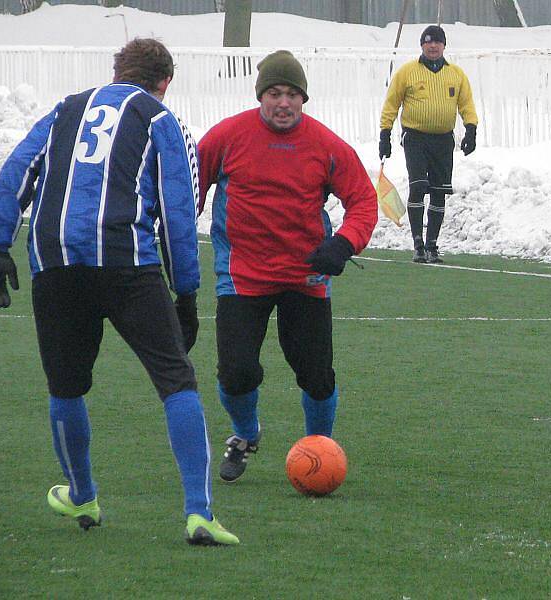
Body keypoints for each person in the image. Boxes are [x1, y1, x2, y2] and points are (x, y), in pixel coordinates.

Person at [0, 39, 238, 545]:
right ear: (164, 82)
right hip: (127, 261)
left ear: (115, 71)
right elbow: (177, 210)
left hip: (56, 261)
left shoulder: (66, 108)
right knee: (176, 380)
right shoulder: (159, 119)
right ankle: (198, 513)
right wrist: (186, 292)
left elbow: (14, 173)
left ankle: (83, 493)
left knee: (65, 386)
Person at [197, 50, 377, 483]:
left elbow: (364, 202)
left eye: (292, 94)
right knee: (236, 372)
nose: (283, 102)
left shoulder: (328, 145)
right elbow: (187, 191)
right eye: (274, 93)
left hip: (306, 278)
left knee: (317, 376)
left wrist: (344, 243)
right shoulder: (226, 137)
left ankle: (320, 449)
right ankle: (244, 435)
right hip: (242, 277)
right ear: (261, 96)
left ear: (303, 99)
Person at [379, 25, 478, 263]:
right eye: (428, 42)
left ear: (444, 46)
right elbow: (391, 104)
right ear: (422, 45)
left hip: (443, 140)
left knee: (438, 191)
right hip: (415, 138)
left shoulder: (456, 74)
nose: (433, 46)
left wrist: (471, 130)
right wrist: (385, 134)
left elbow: (466, 105)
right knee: (418, 185)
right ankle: (417, 243)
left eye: (438, 42)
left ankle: (432, 244)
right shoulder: (407, 72)